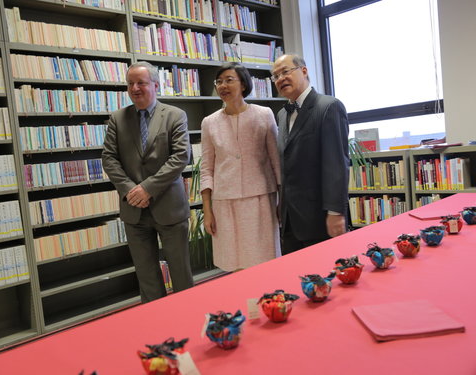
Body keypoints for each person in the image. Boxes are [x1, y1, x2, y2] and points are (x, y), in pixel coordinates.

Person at [102, 61, 193, 303]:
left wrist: (148, 188)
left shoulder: (175, 115)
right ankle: (156, 328)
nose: (135, 88)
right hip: (134, 211)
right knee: (147, 278)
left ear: (155, 84)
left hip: (170, 209)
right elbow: (109, 159)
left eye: (141, 82)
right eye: (130, 83)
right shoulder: (118, 118)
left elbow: (180, 157)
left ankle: (188, 320)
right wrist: (131, 190)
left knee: (181, 274)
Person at [200, 62, 281, 271]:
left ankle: (269, 302)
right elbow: (207, 168)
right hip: (225, 203)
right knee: (233, 263)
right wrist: (207, 210)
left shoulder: (264, 114)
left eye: (229, 80)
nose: (223, 86)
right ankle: (243, 303)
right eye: (219, 82)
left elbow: (276, 161)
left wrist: (283, 200)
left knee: (264, 261)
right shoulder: (209, 122)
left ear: (243, 84)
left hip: (261, 199)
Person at [271, 54, 350, 255]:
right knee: (295, 281)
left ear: (304, 71)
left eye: (285, 71)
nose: (280, 79)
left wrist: (335, 212)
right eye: (275, 76)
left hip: (320, 218)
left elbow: (336, 164)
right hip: (290, 220)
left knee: (326, 279)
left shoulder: (328, 106)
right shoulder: (281, 114)